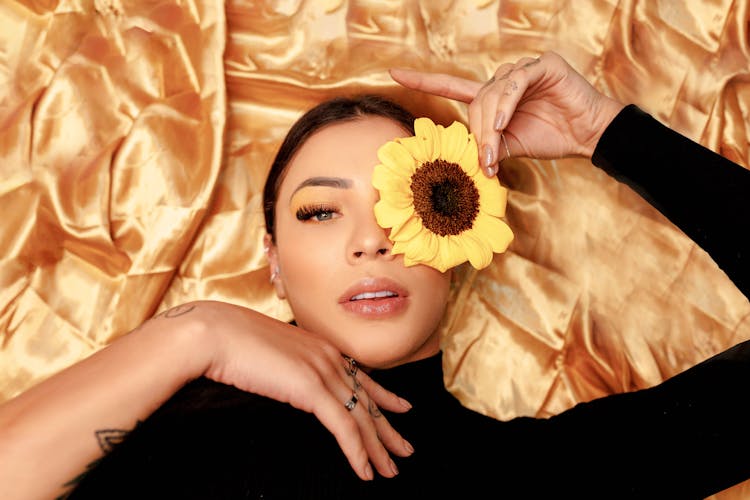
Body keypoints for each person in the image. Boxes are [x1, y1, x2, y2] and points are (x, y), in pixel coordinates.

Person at [0, 51, 748, 500]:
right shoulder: (155, 411)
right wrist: (198, 333)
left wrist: (607, 134)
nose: (372, 241)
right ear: (273, 261)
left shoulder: (531, 479)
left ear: (460, 244)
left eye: (419, 201)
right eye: (321, 213)